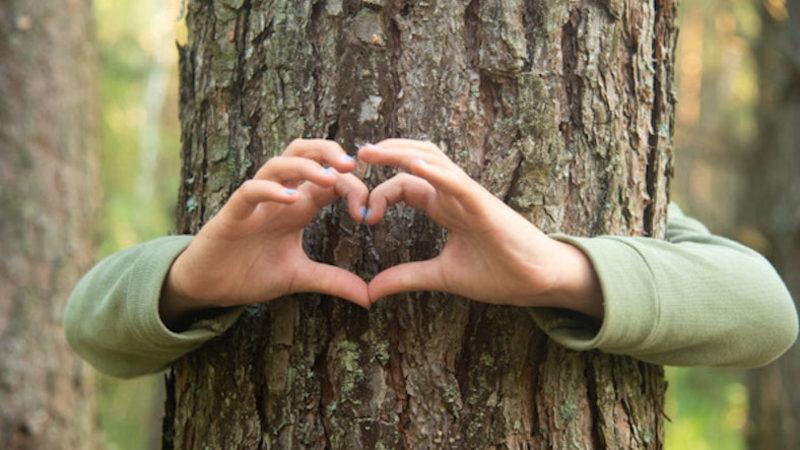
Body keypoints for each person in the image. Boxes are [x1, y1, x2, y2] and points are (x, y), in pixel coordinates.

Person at [64, 138, 798, 378]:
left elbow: (766, 313)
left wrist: (559, 271)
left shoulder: (627, 183)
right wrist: (188, 283)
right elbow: (90, 327)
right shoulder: (245, 199)